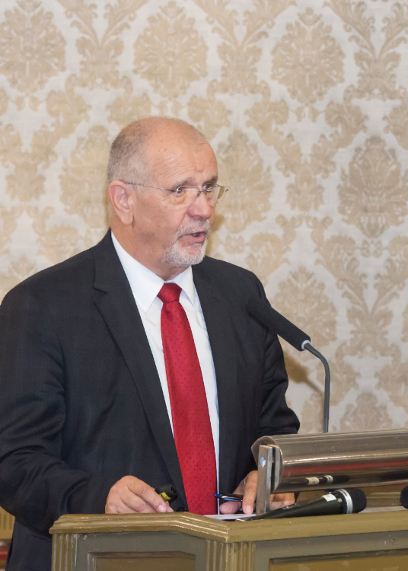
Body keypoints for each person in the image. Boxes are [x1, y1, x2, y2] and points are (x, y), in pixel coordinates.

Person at [0, 117, 300, 570]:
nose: (204, 210)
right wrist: (98, 497)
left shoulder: (241, 295)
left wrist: (268, 474)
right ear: (124, 200)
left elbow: (274, 429)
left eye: (209, 188)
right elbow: (14, 461)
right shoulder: (43, 306)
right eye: (180, 191)